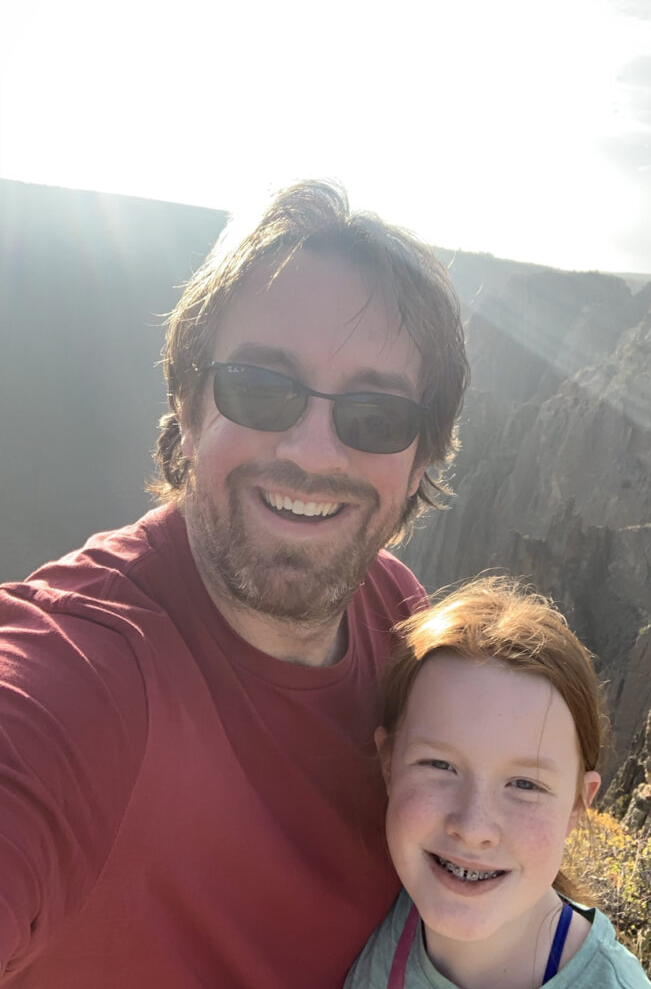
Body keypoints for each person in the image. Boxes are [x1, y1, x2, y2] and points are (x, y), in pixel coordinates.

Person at [0, 181, 469, 988]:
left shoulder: (396, 613)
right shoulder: (76, 681)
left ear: (421, 458)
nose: (314, 451)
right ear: (187, 405)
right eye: (261, 387)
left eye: (376, 415)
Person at [345, 576, 651, 988]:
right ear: (390, 766)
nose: (473, 829)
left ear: (578, 806)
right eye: (439, 765)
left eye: (525, 785)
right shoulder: (379, 915)